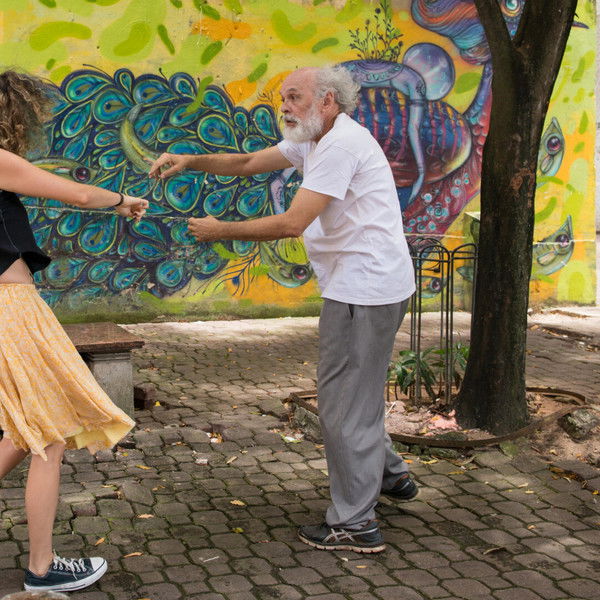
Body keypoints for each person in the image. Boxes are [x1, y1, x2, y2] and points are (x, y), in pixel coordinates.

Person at [149, 65, 417, 553]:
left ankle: (355, 523)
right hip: (367, 286)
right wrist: (191, 161)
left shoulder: (339, 146)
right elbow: (250, 161)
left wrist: (220, 230)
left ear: (328, 101)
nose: (285, 107)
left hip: (364, 290)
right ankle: (389, 476)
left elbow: (293, 223)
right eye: (282, 99)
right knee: (356, 397)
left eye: (295, 97)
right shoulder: (315, 139)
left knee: (342, 405)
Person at [0, 69, 148, 592]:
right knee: (46, 435)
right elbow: (79, 195)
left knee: (27, 429)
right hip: (11, 309)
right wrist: (123, 201)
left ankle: (43, 566)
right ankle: (42, 569)